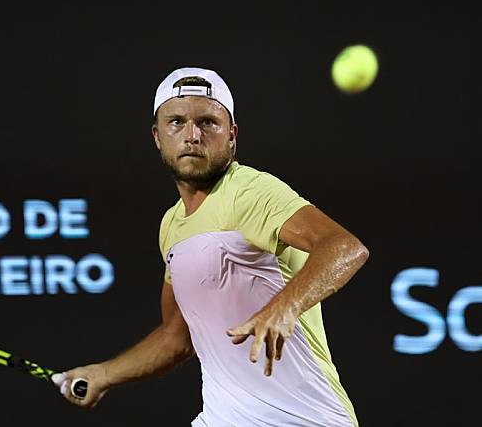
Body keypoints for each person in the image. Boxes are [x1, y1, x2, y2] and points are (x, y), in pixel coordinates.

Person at [53, 67, 369, 426]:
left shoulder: (249, 191)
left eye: (207, 123)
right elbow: (176, 337)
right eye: (176, 122)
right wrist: (103, 374)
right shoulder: (171, 225)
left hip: (304, 418)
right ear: (157, 136)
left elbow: (344, 247)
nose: (192, 135)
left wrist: (286, 306)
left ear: (231, 135)